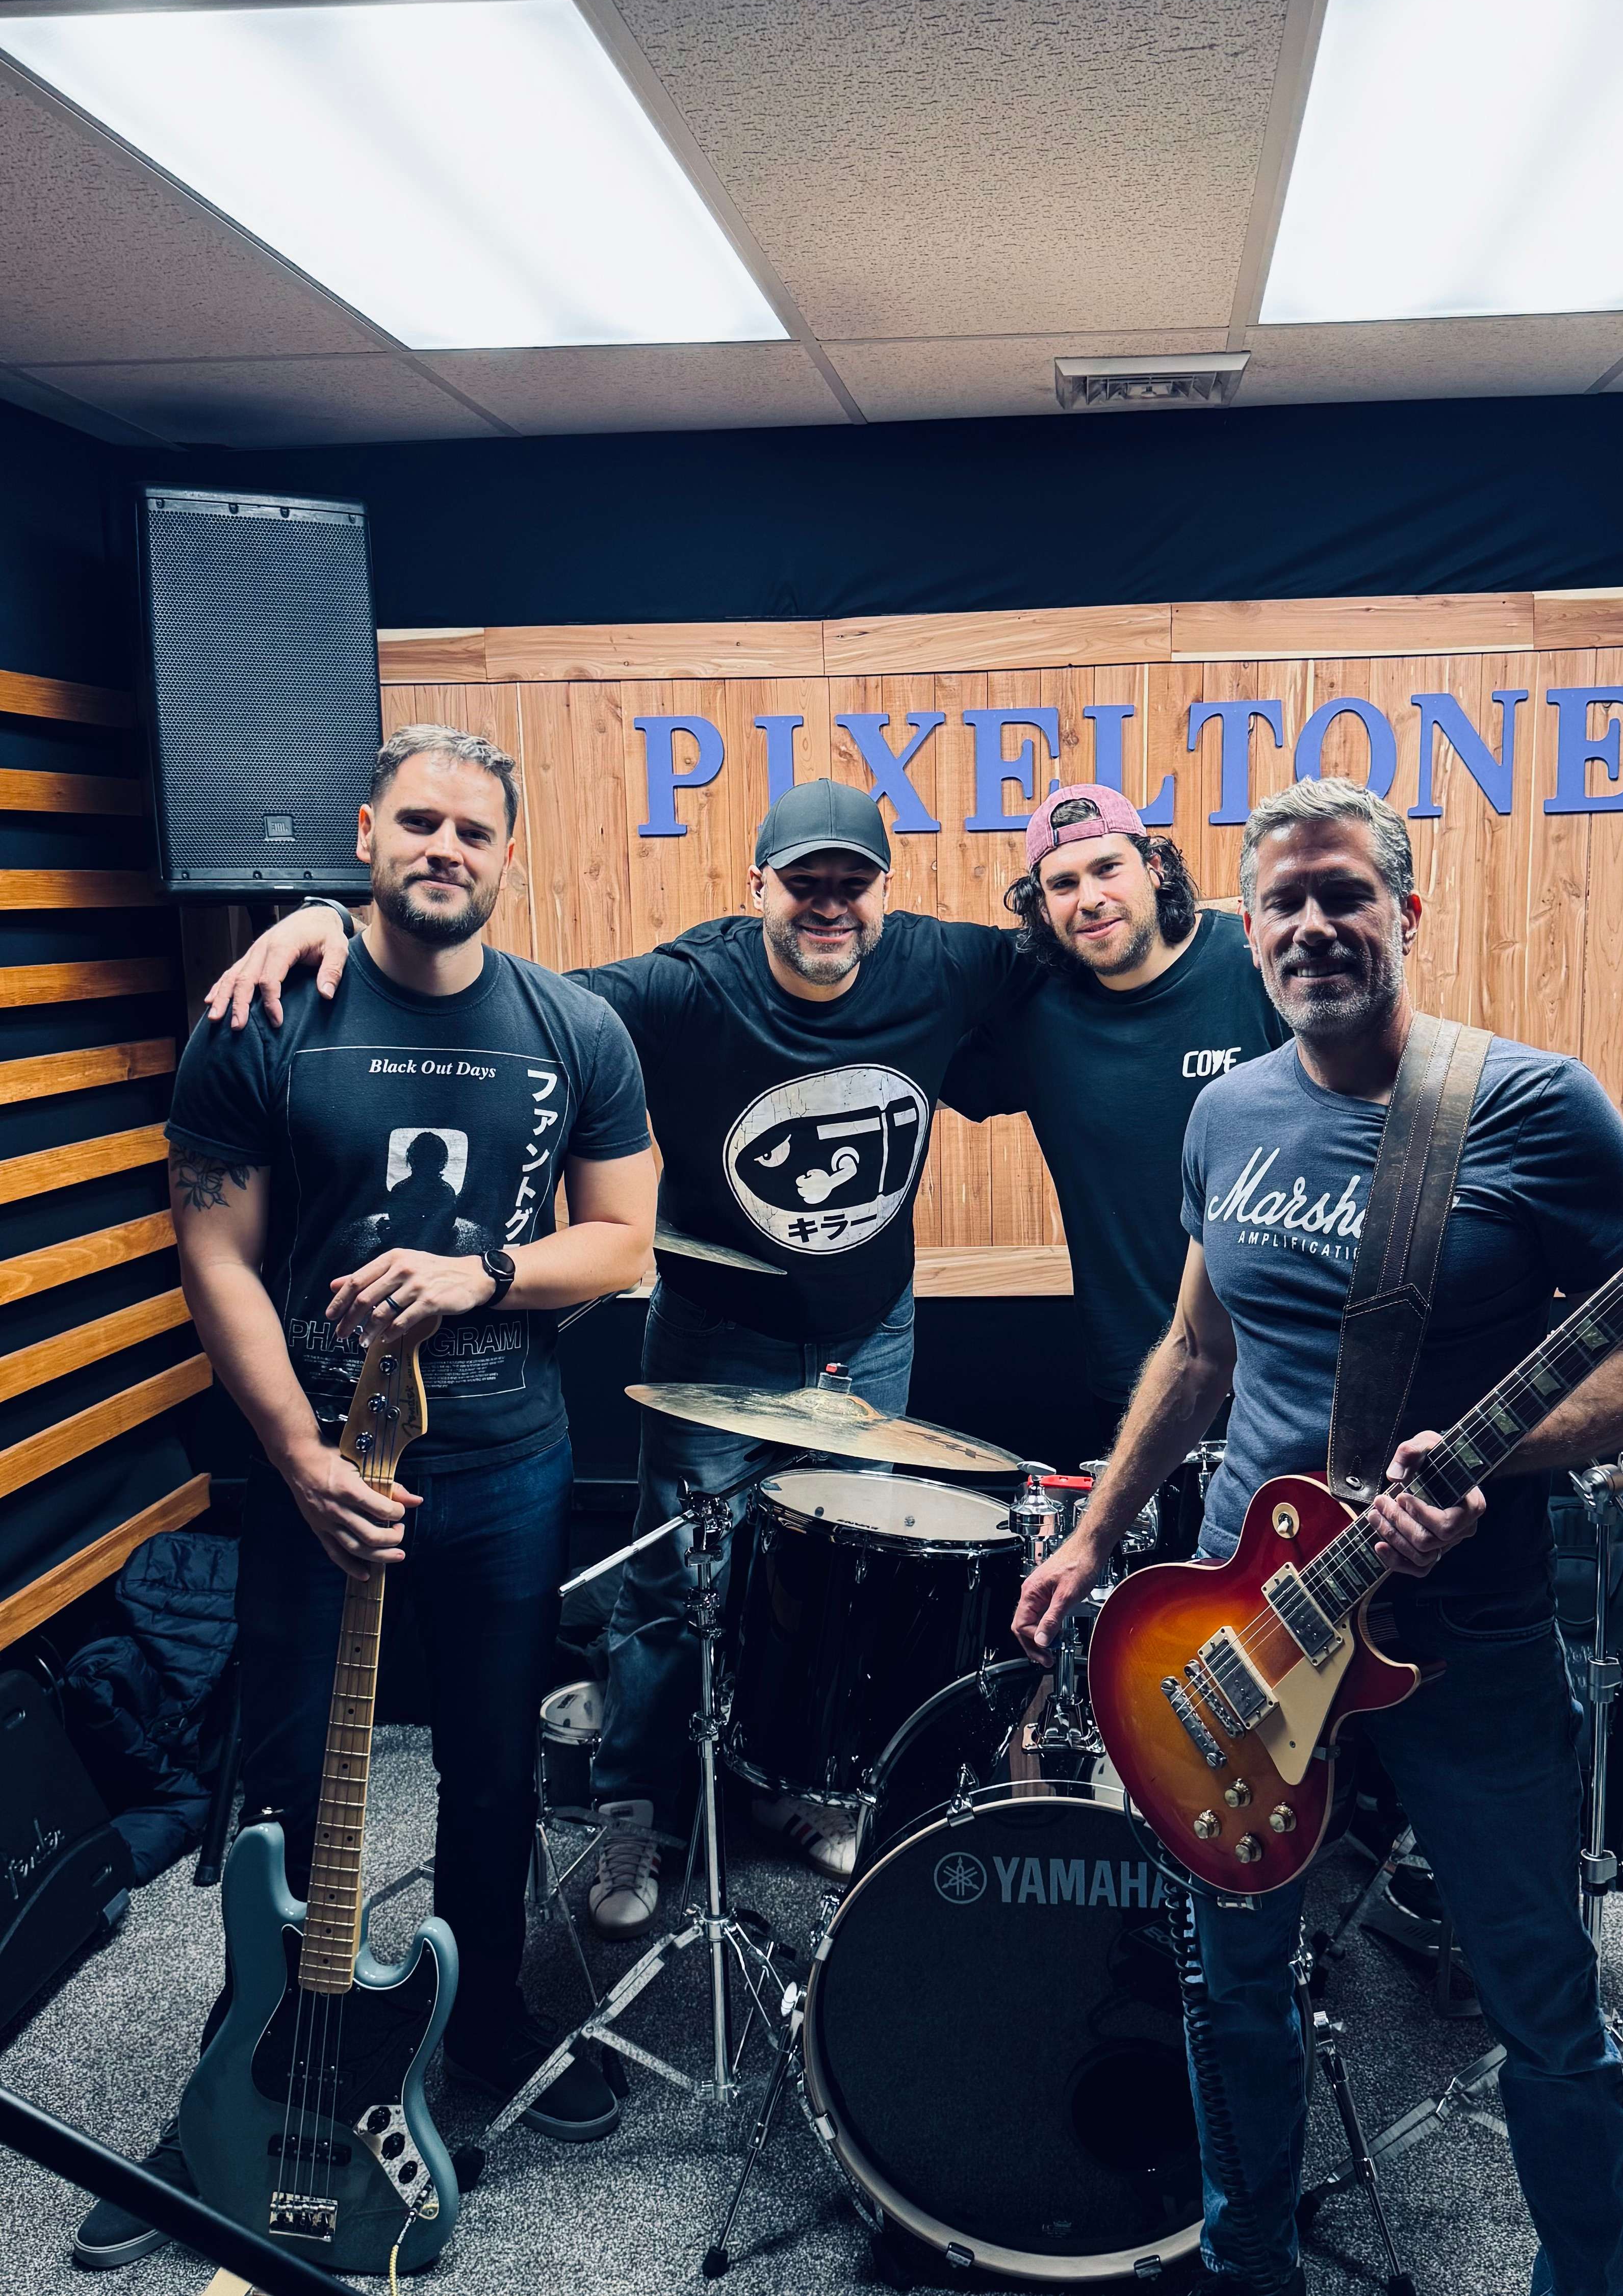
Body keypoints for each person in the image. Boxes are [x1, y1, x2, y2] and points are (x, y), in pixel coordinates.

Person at [1014, 776, 1623, 2296]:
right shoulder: (1228, 1108)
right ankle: (1252, 2259)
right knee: (1231, 1981)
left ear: (1406, 911)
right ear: (1248, 928)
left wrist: (1498, 1458)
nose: (1314, 924)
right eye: (1285, 902)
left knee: (1538, 1997)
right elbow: (1197, 1355)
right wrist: (1098, 1536)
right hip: (1244, 1629)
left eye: (1345, 895)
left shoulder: (1532, 1105)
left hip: (1463, 1644)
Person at [200, 776, 1032, 1931]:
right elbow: (482, 992)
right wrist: (332, 922)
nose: (828, 905)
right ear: (758, 887)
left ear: (886, 891)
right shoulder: (685, 984)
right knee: (675, 1582)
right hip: (711, 1333)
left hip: (868, 1332)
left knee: (830, 1586)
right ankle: (636, 1799)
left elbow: (1087, 944)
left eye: (852, 883)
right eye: (805, 883)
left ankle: (780, 1790)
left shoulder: (945, 964)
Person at [72, 725, 656, 2273]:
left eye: (475, 825)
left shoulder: (575, 1026)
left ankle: (480, 2033)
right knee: (277, 1784)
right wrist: (298, 1456)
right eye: (418, 819)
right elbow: (215, 1253)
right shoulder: (266, 1013)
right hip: (317, 1465)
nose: (445, 846)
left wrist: (486, 1270)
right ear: (366, 833)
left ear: (510, 853)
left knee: (489, 1769)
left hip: (508, 1462)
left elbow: (626, 1243)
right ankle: (235, 2066)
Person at [941, 783, 1289, 1466]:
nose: (1090, 898)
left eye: (1108, 869)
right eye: (1063, 884)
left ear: (1154, 867)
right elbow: (917, 1068)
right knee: (1154, 1577)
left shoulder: (1249, 965)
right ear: (1041, 907)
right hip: (1138, 1380)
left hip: (1285, 1369)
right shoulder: (1036, 1012)